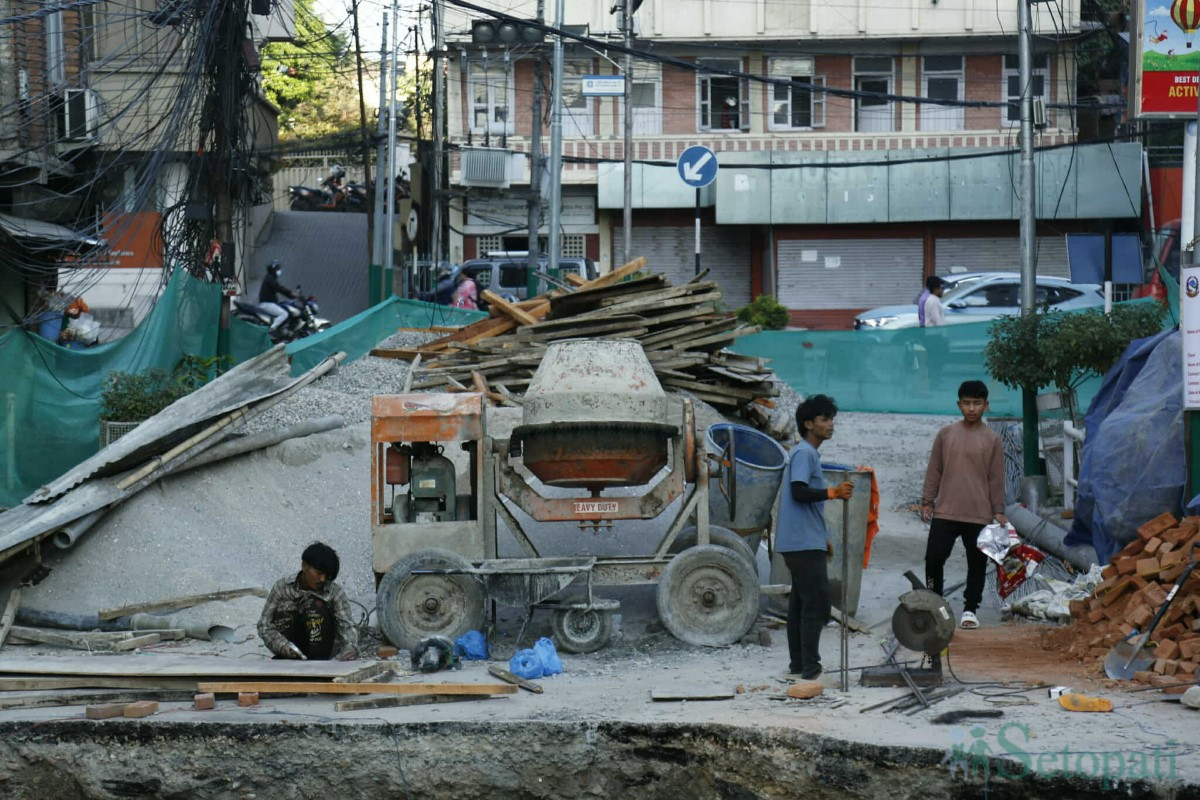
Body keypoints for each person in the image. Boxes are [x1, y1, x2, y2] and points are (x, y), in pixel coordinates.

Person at [776, 394, 854, 680]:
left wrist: (824, 536)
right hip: (801, 543)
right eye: (824, 419)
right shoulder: (804, 453)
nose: (830, 424)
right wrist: (833, 492)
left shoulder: (808, 454)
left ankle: (800, 664)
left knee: (800, 603)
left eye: (831, 419)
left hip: (806, 540)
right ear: (808, 424)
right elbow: (799, 492)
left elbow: (807, 504)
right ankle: (810, 666)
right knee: (817, 604)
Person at [920, 380, 1008, 630]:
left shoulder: (992, 440)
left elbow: (996, 477)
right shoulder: (946, 434)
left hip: (978, 514)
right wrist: (927, 501)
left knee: (977, 563)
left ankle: (970, 609)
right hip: (946, 509)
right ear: (959, 405)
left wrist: (998, 510)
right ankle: (934, 602)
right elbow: (934, 469)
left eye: (977, 403)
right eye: (967, 403)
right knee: (933, 558)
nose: (971, 408)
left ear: (986, 406)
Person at [258, 542, 357, 661]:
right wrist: (282, 646)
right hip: (288, 655)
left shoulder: (334, 592)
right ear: (304, 566)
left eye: (327, 576)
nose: (323, 579)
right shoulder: (282, 588)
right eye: (319, 573)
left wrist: (350, 647)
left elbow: (347, 625)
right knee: (286, 606)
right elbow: (264, 625)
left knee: (316, 606)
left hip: (322, 657)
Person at [258, 260, 297, 338]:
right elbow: (280, 288)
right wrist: (291, 293)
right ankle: (273, 329)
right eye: (277, 269)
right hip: (267, 304)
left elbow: (280, 290)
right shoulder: (270, 279)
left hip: (269, 303)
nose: (279, 271)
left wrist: (291, 296)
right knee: (284, 314)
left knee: (283, 307)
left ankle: (281, 329)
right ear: (273, 270)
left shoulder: (270, 278)